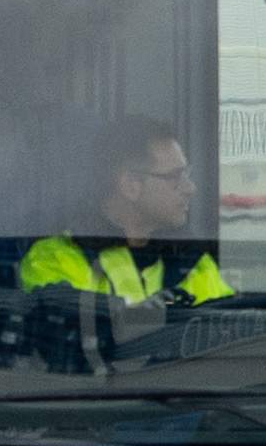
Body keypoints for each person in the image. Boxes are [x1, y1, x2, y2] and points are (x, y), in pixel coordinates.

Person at [23, 116, 231, 311]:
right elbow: (66, 338)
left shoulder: (192, 262)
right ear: (130, 185)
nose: (190, 188)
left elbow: (228, 333)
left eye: (187, 174)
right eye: (175, 177)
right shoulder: (55, 259)